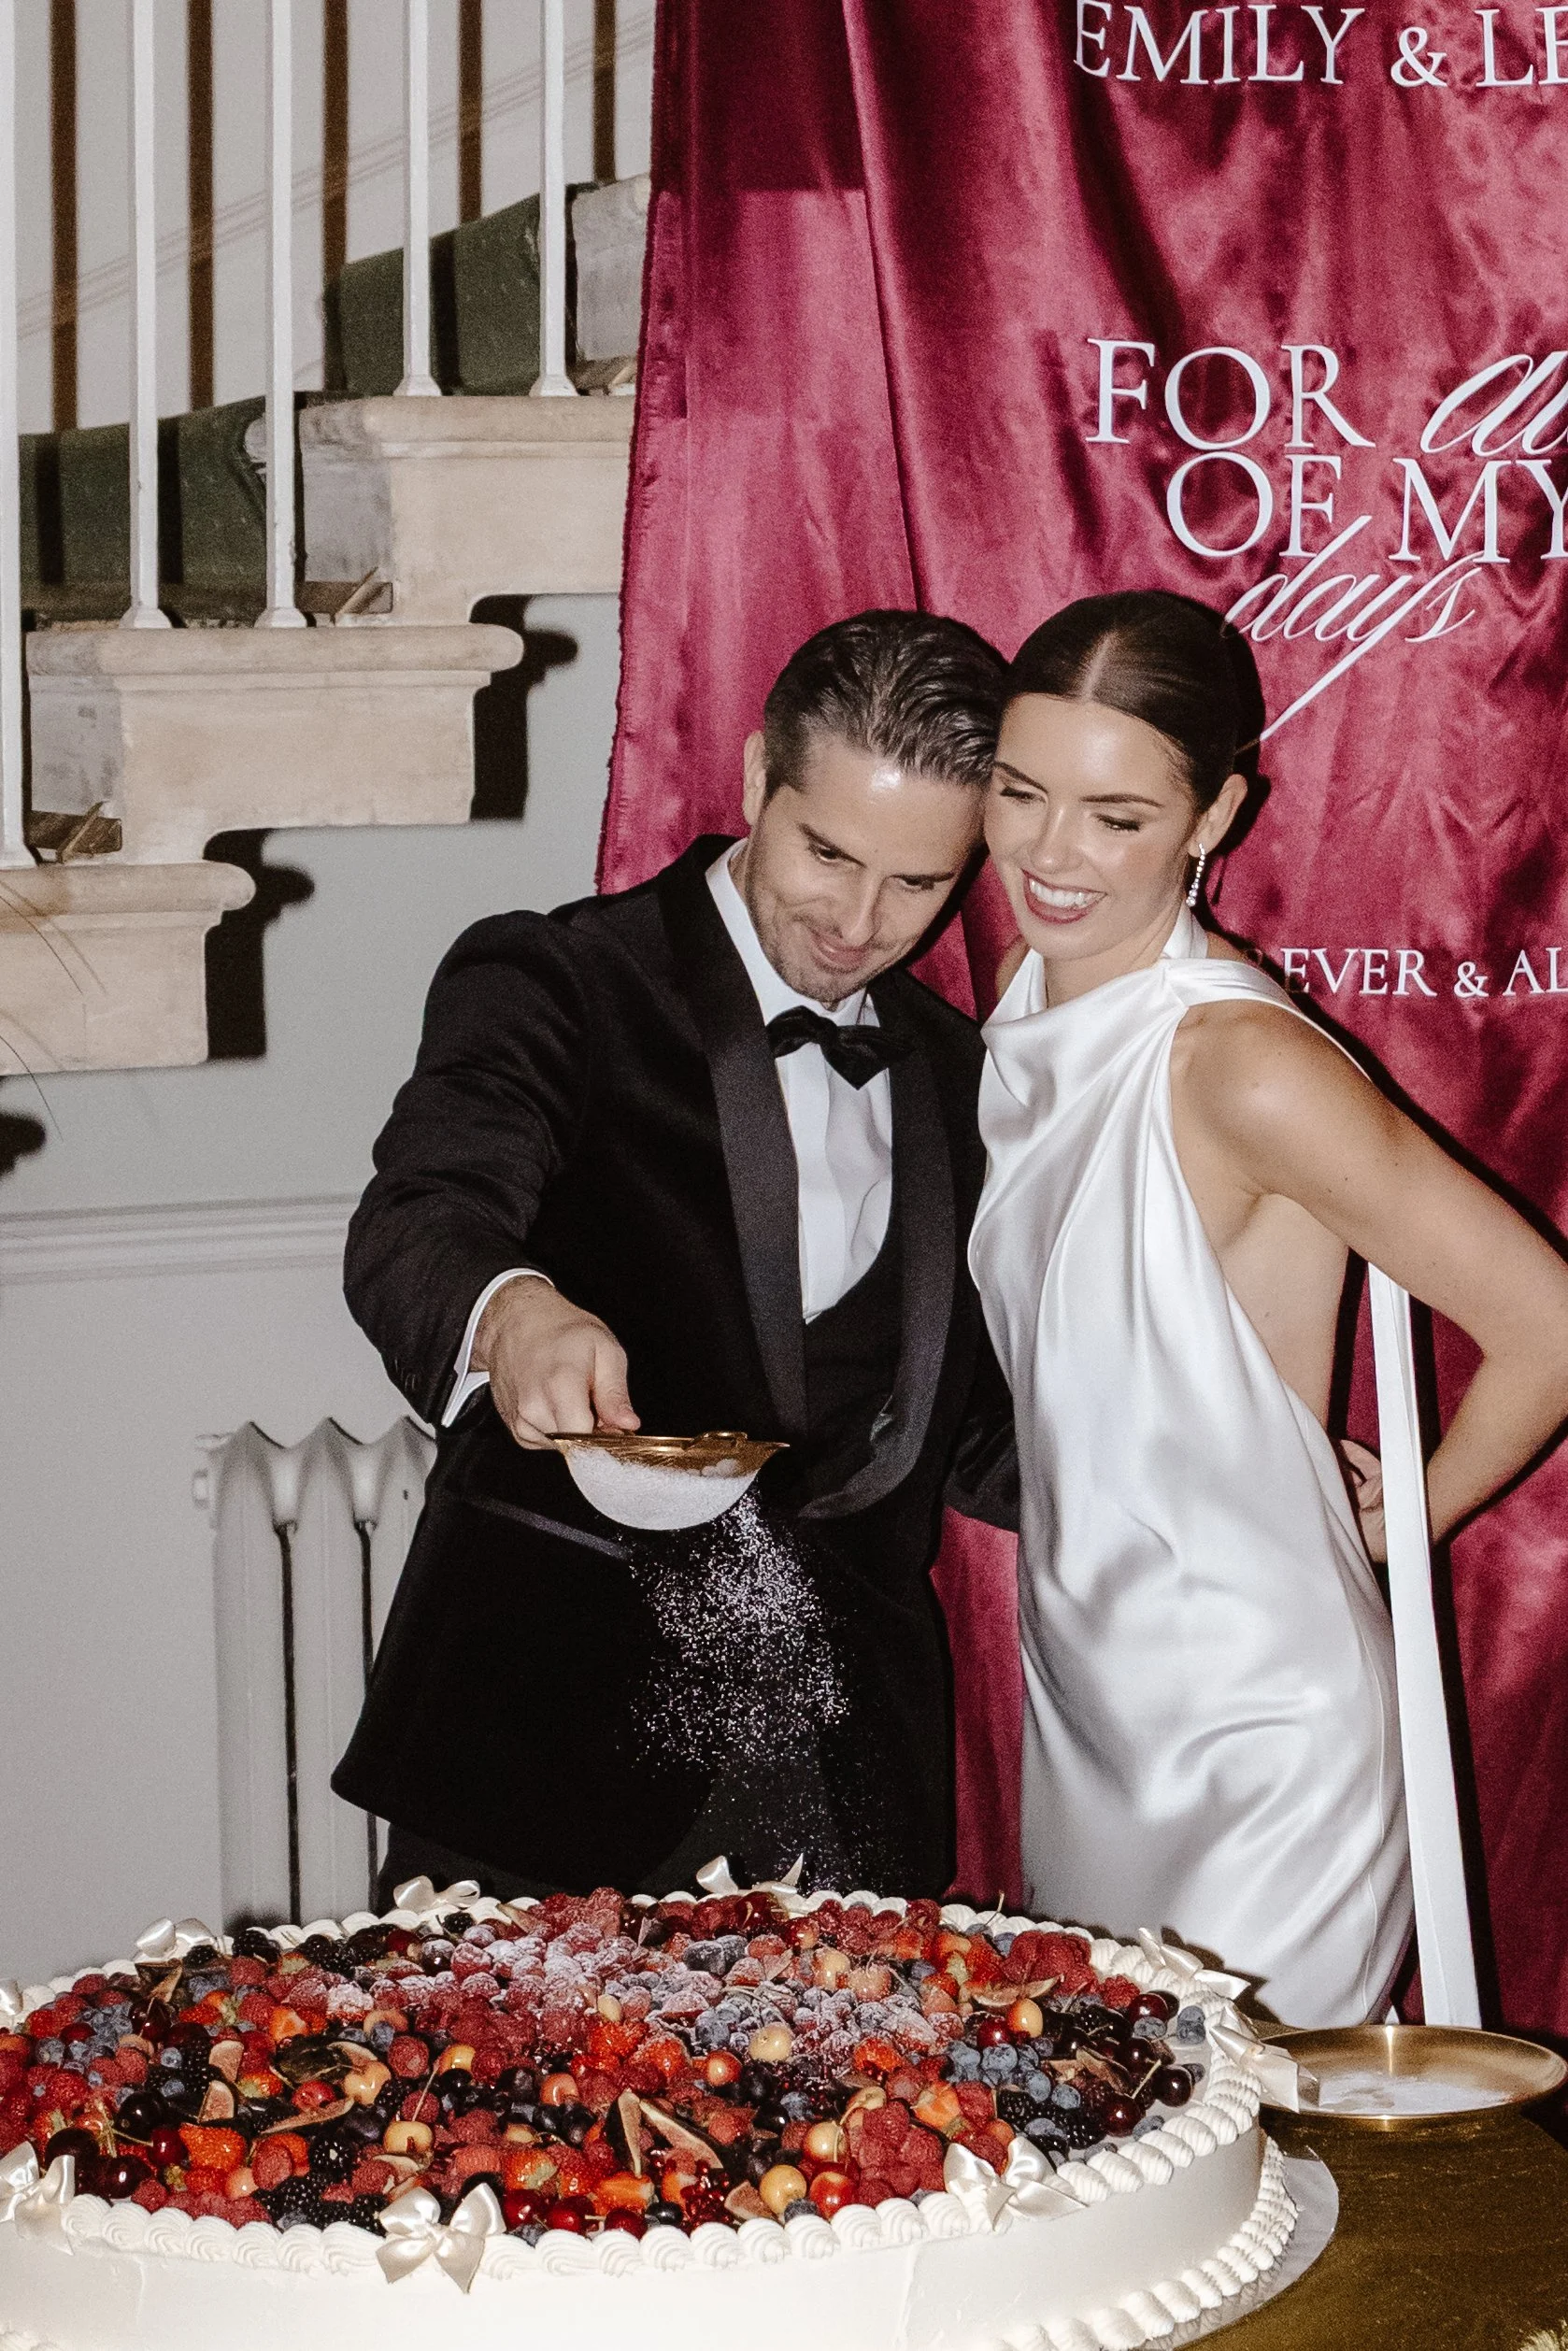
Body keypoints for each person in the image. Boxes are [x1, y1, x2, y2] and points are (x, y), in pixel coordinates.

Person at [335, 609, 1018, 1905]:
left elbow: (972, 1432)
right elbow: (420, 1214)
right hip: (540, 1741)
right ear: (757, 777)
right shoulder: (558, 976)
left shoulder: (963, 1074)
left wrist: (1238, 1472)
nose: (858, 921)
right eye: (827, 852)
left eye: (919, 883)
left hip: (842, 1773)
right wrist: (513, 1312)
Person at [969, 590, 1568, 2028]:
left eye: (1115, 816)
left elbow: (1548, 1323)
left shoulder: (1238, 1064)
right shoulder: (1023, 985)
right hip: (1089, 1705)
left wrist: (1403, 1519)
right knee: (1105, 2129)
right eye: (1018, 791)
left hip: (1263, 1741)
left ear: (1214, 815)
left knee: (1244, 2138)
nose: (1049, 854)